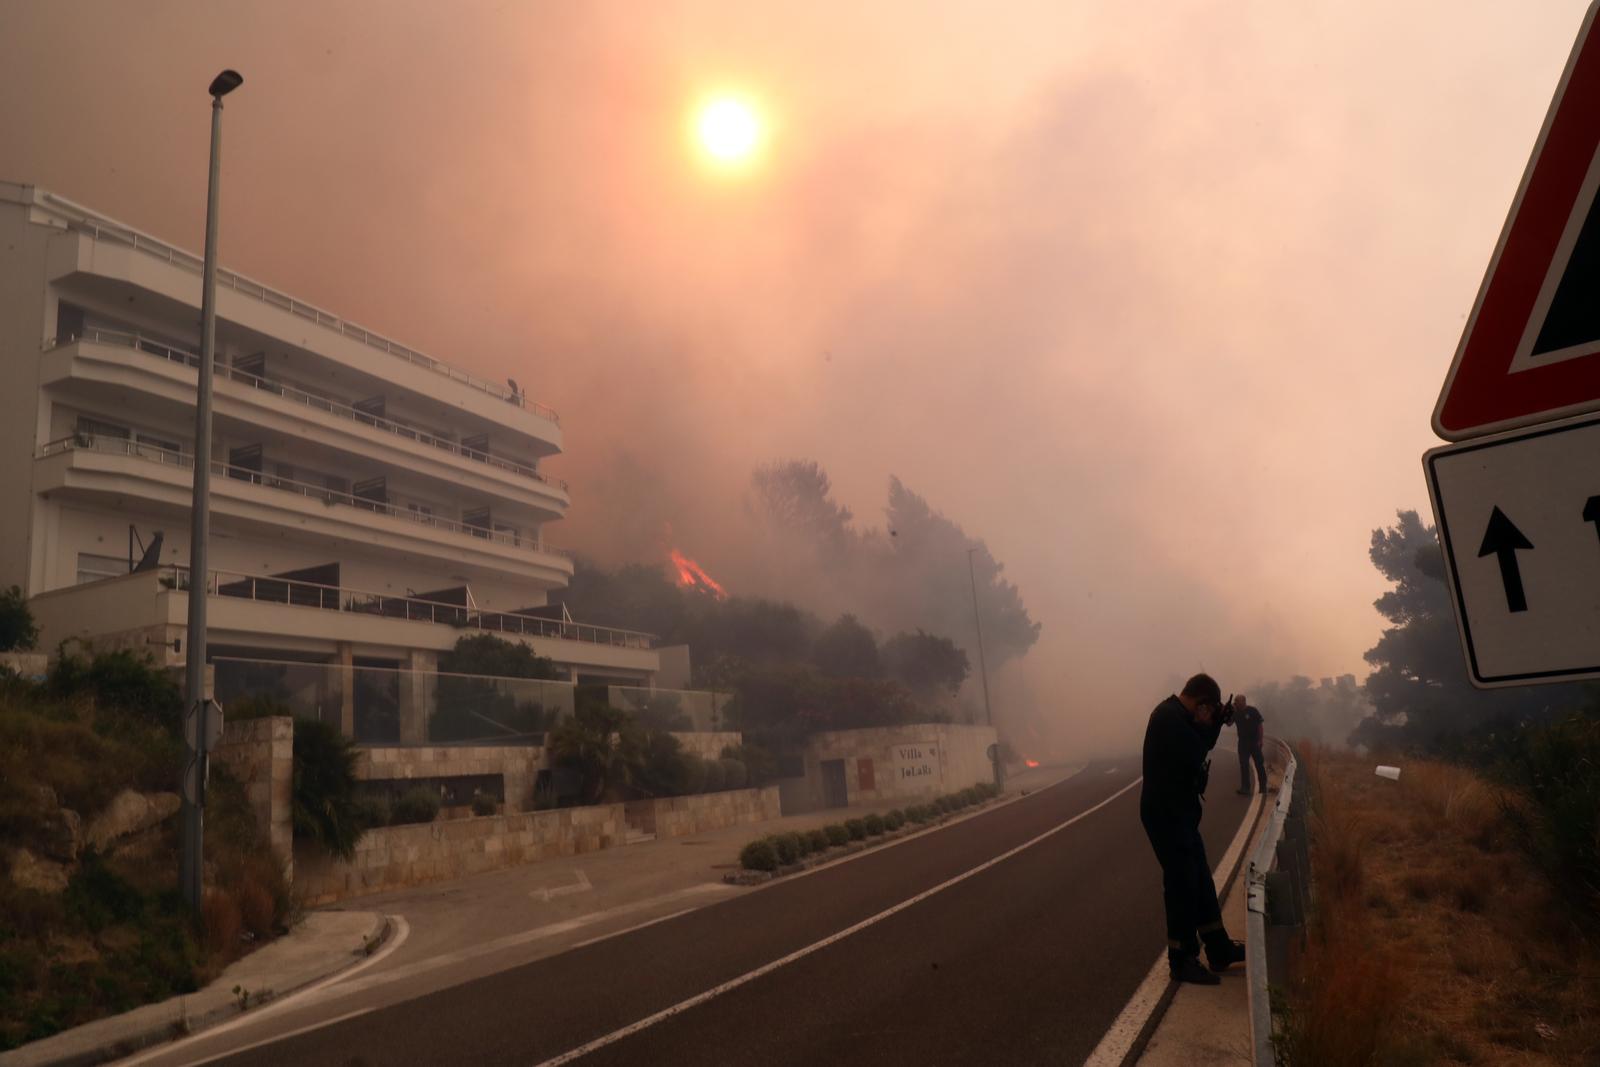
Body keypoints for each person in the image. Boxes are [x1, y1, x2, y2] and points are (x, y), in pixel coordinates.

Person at [1140, 672, 1247, 985]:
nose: (1210, 716)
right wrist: (1214, 724)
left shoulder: (1180, 716)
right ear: (1202, 704)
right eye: (1210, 710)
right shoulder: (1169, 718)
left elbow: (1202, 744)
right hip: (1165, 814)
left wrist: (1216, 722)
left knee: (1200, 880)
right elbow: (1197, 750)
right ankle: (1181, 957)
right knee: (1182, 883)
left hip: (1181, 813)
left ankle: (1218, 948)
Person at [1231, 694, 1267, 796]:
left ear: (1243, 701)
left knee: (1259, 764)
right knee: (1244, 764)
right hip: (1243, 742)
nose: (1235, 703)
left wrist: (1260, 740)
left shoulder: (1253, 710)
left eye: (1237, 701)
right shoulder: (1236, 713)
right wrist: (1229, 712)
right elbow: (1229, 723)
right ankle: (1245, 788)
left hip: (1254, 742)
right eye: (1235, 701)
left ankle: (1263, 787)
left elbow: (1260, 725)